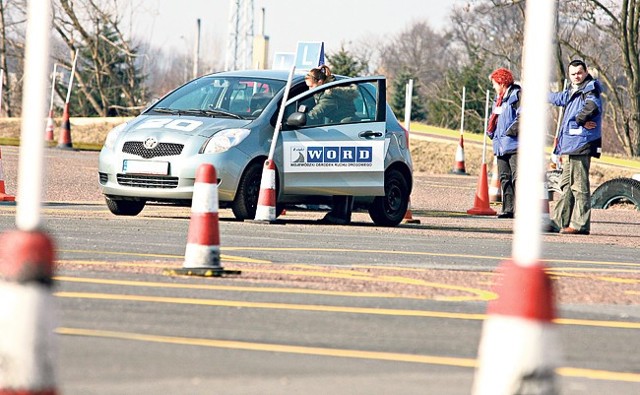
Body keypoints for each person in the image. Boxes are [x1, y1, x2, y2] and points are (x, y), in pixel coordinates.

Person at [547, 59, 602, 235]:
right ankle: (558, 222)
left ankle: (580, 225)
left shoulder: (590, 89)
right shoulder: (572, 90)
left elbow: (593, 106)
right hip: (570, 144)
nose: (576, 76)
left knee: (579, 186)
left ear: (585, 72)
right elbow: (559, 98)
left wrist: (580, 120)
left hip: (581, 143)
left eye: (579, 72)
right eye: (573, 74)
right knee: (565, 185)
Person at [304, 65, 355, 225]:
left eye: (311, 87)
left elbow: (316, 113)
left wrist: (300, 117)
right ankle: (342, 214)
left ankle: (341, 215)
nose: (309, 91)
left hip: (344, 131)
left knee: (342, 174)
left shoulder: (328, 95)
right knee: (343, 174)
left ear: (319, 81)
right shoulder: (330, 87)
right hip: (343, 128)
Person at [486, 67, 521, 219]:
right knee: (504, 178)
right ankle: (508, 209)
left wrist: (510, 132)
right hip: (500, 145)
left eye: (494, 83)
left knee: (517, 177)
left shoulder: (517, 95)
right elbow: (495, 118)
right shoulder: (498, 99)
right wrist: (492, 133)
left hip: (514, 145)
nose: (493, 87)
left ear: (501, 82)